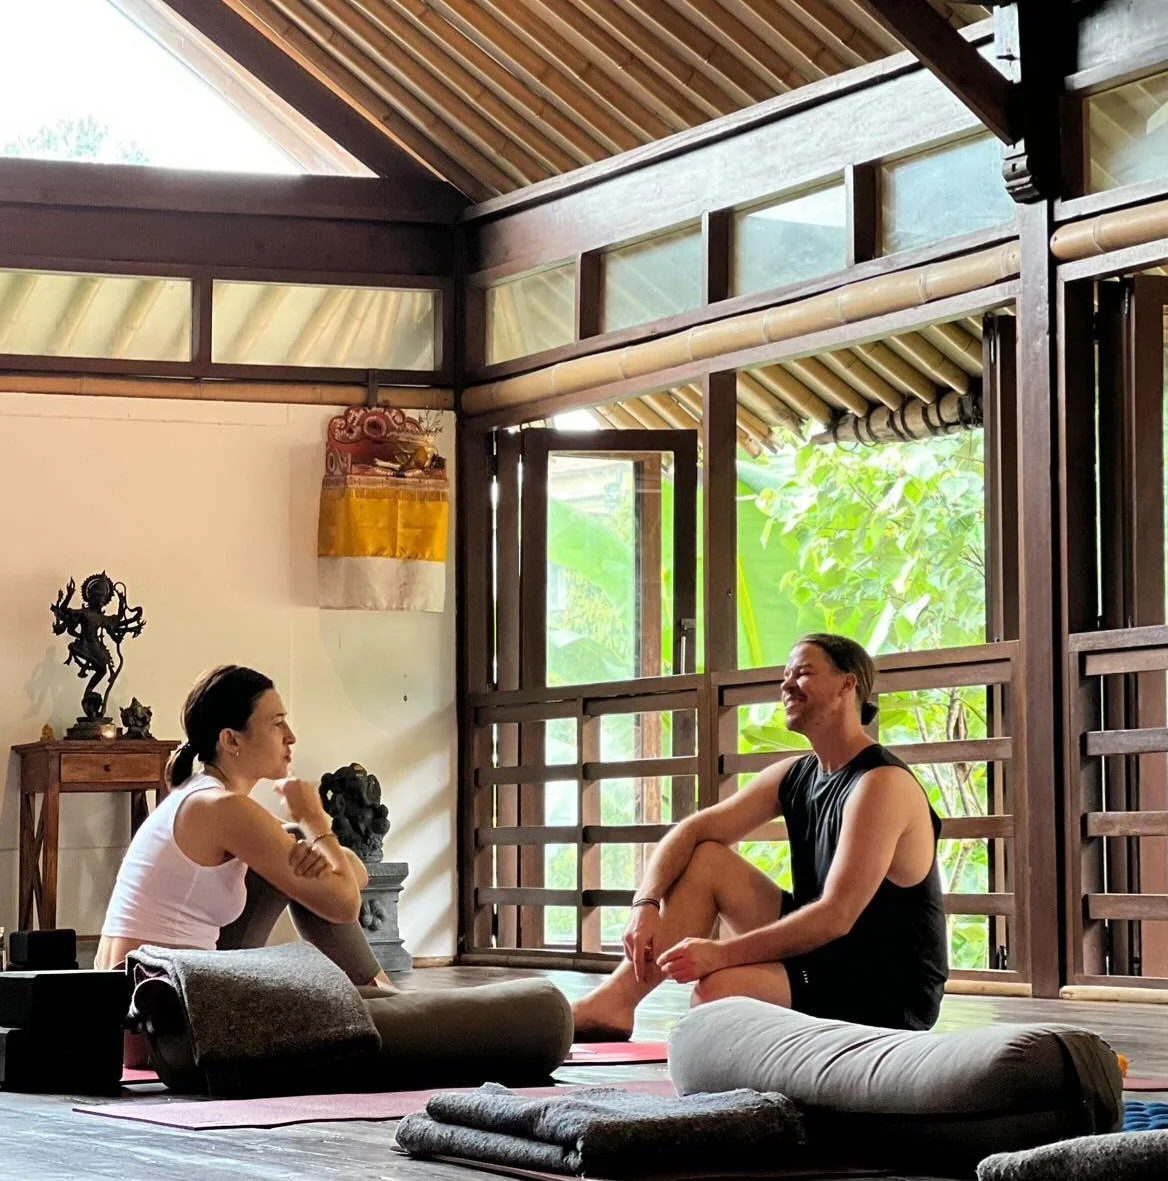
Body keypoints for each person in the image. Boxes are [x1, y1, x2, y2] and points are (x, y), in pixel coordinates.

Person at [571, 633, 947, 1040]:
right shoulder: (796, 774)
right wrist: (644, 903)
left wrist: (720, 955)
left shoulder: (881, 783)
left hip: (885, 985)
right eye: (784, 676)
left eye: (802, 674)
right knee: (708, 860)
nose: (786, 686)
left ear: (848, 684)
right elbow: (693, 829)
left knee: (717, 993)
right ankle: (615, 1002)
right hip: (825, 955)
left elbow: (835, 916)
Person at [97, 665, 393, 993]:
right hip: (158, 999)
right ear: (231, 739)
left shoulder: (205, 797)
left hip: (158, 983)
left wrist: (316, 852)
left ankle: (380, 995)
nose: (291, 736)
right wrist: (313, 819)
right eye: (277, 723)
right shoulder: (220, 808)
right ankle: (384, 996)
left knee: (296, 864)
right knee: (330, 989)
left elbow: (353, 875)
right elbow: (345, 904)